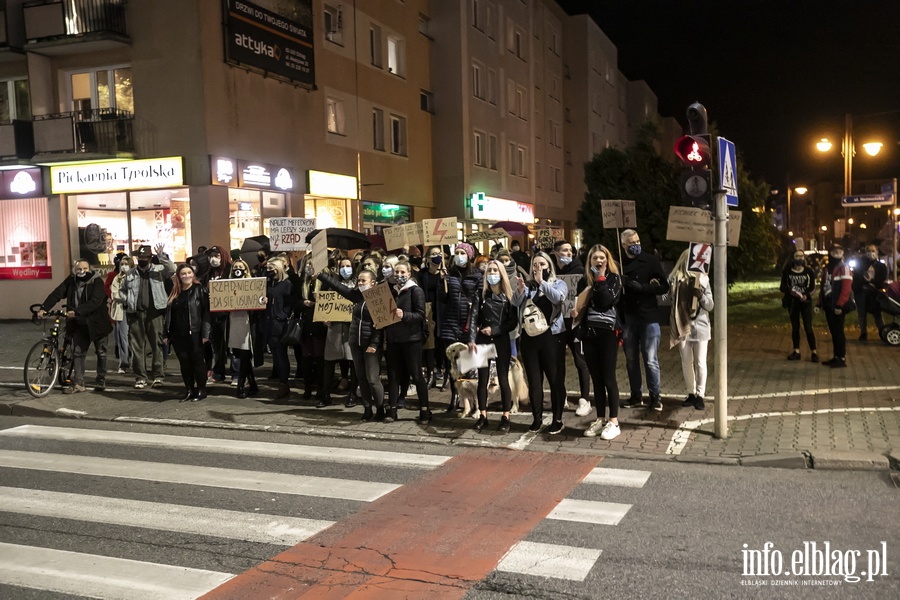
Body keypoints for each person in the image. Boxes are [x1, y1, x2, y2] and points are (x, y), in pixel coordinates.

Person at [319, 266, 384, 421]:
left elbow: (380, 325)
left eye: (363, 280)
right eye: (359, 280)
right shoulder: (357, 297)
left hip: (370, 344)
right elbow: (339, 287)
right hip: (355, 342)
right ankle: (367, 408)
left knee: (373, 379)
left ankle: (380, 408)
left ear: (373, 283)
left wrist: (374, 344)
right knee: (361, 378)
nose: (360, 283)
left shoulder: (377, 299)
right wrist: (320, 276)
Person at [513, 251, 568, 434]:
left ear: (549, 266)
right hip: (529, 339)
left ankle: (557, 419)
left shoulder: (557, 283)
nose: (538, 268)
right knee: (535, 381)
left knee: (555, 379)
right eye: (535, 265)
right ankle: (536, 418)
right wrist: (520, 290)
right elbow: (516, 303)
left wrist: (542, 282)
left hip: (551, 337)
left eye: (542, 264)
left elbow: (559, 298)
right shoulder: (528, 286)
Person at [38, 259, 112, 393]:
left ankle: (101, 379)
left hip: (97, 323)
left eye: (85, 269)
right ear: (75, 270)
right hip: (79, 323)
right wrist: (44, 308)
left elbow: (95, 301)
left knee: (101, 352)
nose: (82, 271)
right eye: (79, 269)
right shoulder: (72, 281)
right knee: (78, 353)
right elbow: (57, 293)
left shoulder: (97, 282)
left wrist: (77, 311)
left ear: (90, 269)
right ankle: (78, 383)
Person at [572, 245, 623, 439]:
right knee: (597, 379)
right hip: (589, 333)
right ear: (590, 261)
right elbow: (580, 304)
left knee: (608, 377)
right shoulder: (584, 281)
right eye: (595, 258)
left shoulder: (614, 279)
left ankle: (614, 421)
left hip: (608, 334)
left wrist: (601, 279)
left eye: (602, 258)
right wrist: (575, 312)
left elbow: (606, 301)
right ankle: (601, 418)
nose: (598, 261)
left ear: (607, 260)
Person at [617, 229, 670, 412]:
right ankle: (635, 395)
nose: (636, 244)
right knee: (631, 359)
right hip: (628, 318)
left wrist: (643, 288)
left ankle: (655, 396)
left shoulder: (650, 260)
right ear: (624, 245)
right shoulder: (619, 264)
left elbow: (664, 286)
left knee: (650, 359)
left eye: (638, 240)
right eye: (632, 242)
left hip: (648, 317)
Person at [467, 259, 519, 433]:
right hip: (483, 340)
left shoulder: (508, 296)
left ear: (502, 273)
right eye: (489, 271)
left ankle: (505, 416)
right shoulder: (480, 294)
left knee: (503, 380)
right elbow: (473, 317)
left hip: (500, 340)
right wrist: (471, 339)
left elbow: (512, 322)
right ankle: (483, 414)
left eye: (495, 271)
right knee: (482, 380)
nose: (492, 274)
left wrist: (495, 330)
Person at [121, 243, 175, 389]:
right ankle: (140, 377)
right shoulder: (131, 273)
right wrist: (127, 300)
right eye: (139, 257)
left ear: (150, 258)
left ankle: (158, 376)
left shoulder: (159, 270)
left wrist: (162, 256)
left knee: (156, 344)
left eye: (144, 257)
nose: (141, 259)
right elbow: (122, 290)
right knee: (137, 346)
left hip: (155, 312)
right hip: (136, 313)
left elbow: (173, 270)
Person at [437, 242, 482, 411]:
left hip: (467, 324)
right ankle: (455, 395)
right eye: (456, 252)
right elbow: (442, 298)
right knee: (453, 365)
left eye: (462, 252)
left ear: (470, 256)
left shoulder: (477, 275)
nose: (459, 255)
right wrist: (442, 282)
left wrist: (476, 324)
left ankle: (473, 400)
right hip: (450, 323)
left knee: (469, 364)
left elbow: (480, 300)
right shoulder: (449, 274)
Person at [668, 249, 714, 411]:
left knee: (700, 362)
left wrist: (700, 295)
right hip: (683, 326)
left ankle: (700, 394)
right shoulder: (675, 280)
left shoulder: (703, 280)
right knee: (687, 362)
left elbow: (710, 305)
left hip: (700, 327)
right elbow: (668, 299)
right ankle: (691, 393)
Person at [384, 259, 430, 423]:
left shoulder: (415, 291)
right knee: (393, 376)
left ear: (409, 274)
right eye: (396, 272)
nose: (399, 275)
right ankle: (392, 410)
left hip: (411, 339)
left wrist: (404, 315)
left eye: (403, 272)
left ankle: (424, 410)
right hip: (394, 340)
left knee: (416, 375)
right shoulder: (390, 291)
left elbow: (420, 315)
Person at [553, 240, 592, 416]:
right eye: (564, 250)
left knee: (580, 361)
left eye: (570, 251)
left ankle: (585, 399)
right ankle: (561, 396)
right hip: (557, 324)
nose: (568, 254)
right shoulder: (552, 272)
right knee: (557, 361)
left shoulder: (580, 272)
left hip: (575, 324)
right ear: (556, 253)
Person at [163, 264, 211, 401]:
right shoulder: (175, 292)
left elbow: (206, 313)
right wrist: (166, 334)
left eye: (189, 272)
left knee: (197, 361)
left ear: (193, 274)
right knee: (184, 363)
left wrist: (205, 334)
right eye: (183, 274)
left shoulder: (200, 290)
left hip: (195, 333)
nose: (186, 276)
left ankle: (201, 389)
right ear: (179, 276)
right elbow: (168, 315)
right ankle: (189, 389)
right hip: (178, 334)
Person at [320, 254, 356, 408]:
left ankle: (352, 395)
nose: (345, 269)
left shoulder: (356, 286)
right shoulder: (332, 285)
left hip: (350, 330)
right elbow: (324, 305)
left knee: (353, 363)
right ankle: (325, 395)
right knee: (329, 362)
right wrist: (324, 318)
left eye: (348, 266)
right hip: (334, 329)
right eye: (342, 266)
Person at [227, 259, 258, 398]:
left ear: (246, 269)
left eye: (240, 267)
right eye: (235, 267)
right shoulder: (226, 285)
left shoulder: (253, 284)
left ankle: (240, 386)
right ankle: (252, 385)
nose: (238, 269)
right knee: (240, 354)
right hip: (234, 321)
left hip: (247, 322)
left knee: (245, 354)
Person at [780, 251, 818, 362]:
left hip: (805, 303)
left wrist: (806, 295)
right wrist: (790, 292)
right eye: (797, 256)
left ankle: (814, 352)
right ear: (793, 258)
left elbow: (812, 287)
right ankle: (796, 351)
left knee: (808, 327)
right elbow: (782, 287)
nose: (799, 258)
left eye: (801, 256)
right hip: (792, 303)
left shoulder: (808, 271)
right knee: (795, 327)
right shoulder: (787, 272)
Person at [265, 256, 294, 399]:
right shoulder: (269, 283)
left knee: (281, 354)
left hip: (279, 323)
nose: (268, 271)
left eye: (271, 268)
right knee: (275, 355)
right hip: (269, 322)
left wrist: (281, 315)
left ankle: (284, 383)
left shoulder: (286, 284)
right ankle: (281, 381)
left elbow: (289, 303)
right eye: (267, 268)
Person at [819, 245, 852, 368]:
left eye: (840, 251)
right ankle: (836, 356)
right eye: (834, 252)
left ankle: (841, 358)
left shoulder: (844, 268)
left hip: (837, 305)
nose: (837, 253)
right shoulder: (827, 269)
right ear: (830, 253)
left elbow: (846, 289)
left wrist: (840, 305)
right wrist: (819, 302)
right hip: (828, 304)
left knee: (838, 331)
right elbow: (824, 286)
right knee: (833, 331)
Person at [205, 245, 232, 383]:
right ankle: (219, 372)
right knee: (216, 346)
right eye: (211, 256)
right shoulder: (209, 273)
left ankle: (236, 373)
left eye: (216, 256)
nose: (213, 259)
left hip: (228, 315)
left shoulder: (231, 271)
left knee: (231, 345)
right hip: (213, 315)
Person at [852, 244, 887, 341]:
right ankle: (863, 333)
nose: (871, 253)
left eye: (873, 251)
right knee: (862, 313)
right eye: (868, 251)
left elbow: (881, 280)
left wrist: (871, 281)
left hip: (874, 292)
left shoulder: (881, 266)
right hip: (861, 292)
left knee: (877, 314)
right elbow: (856, 277)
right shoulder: (861, 264)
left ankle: (883, 332)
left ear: (876, 253)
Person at [106, 254, 132, 374]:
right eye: (122, 264)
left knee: (136, 338)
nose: (124, 266)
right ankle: (124, 363)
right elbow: (114, 294)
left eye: (126, 264)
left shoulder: (136, 277)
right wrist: (128, 298)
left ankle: (137, 363)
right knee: (123, 338)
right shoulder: (116, 278)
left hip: (135, 311)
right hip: (121, 311)